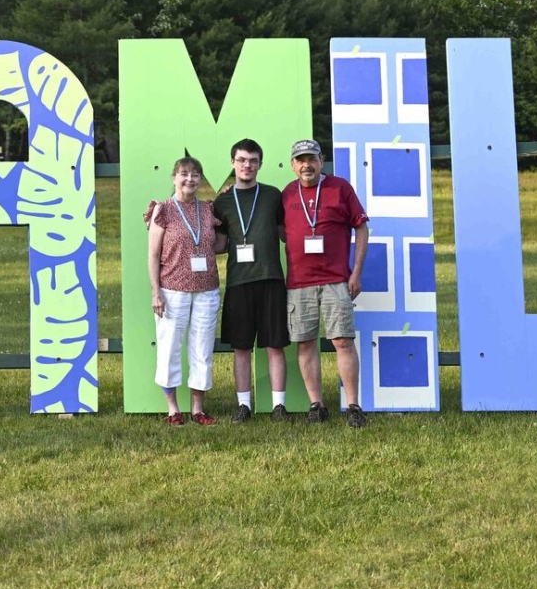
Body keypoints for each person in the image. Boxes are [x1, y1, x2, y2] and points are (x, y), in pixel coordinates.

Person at [281, 139, 370, 427]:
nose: (306, 164)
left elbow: (361, 227)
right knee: (306, 343)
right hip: (299, 282)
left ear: (322, 161)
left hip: (335, 279)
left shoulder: (339, 188)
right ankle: (316, 404)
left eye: (312, 159)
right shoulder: (286, 194)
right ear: (293, 165)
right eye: (300, 159)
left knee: (343, 340)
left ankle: (353, 406)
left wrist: (355, 272)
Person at [211, 139, 290, 422]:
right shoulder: (221, 202)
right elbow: (218, 244)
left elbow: (285, 234)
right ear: (232, 163)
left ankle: (278, 406)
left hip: (270, 278)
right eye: (242, 160)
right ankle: (243, 405)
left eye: (253, 160)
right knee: (241, 347)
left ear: (260, 164)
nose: (247, 165)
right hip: (238, 282)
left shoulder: (272, 195)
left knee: (274, 345)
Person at [148, 156, 221, 425]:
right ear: (174, 177)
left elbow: (219, 244)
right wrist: (156, 291)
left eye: (195, 174)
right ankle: (172, 410)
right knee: (169, 348)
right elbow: (153, 255)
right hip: (172, 289)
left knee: (202, 349)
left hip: (207, 290)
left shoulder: (208, 210)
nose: (190, 179)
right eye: (184, 174)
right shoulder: (162, 209)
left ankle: (198, 409)